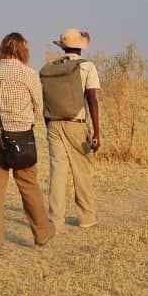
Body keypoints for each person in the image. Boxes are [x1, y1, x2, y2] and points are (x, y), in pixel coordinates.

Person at [0, 32, 55, 257]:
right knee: (28, 184)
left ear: (2, 49)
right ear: (23, 50)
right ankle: (42, 233)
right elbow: (38, 104)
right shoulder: (29, 74)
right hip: (20, 137)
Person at [41, 28, 101, 230]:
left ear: (63, 47)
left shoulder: (51, 68)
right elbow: (92, 99)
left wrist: (47, 123)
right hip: (76, 123)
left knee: (57, 172)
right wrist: (97, 132)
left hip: (53, 124)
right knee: (82, 170)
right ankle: (86, 217)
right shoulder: (86, 67)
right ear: (81, 47)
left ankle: (55, 221)